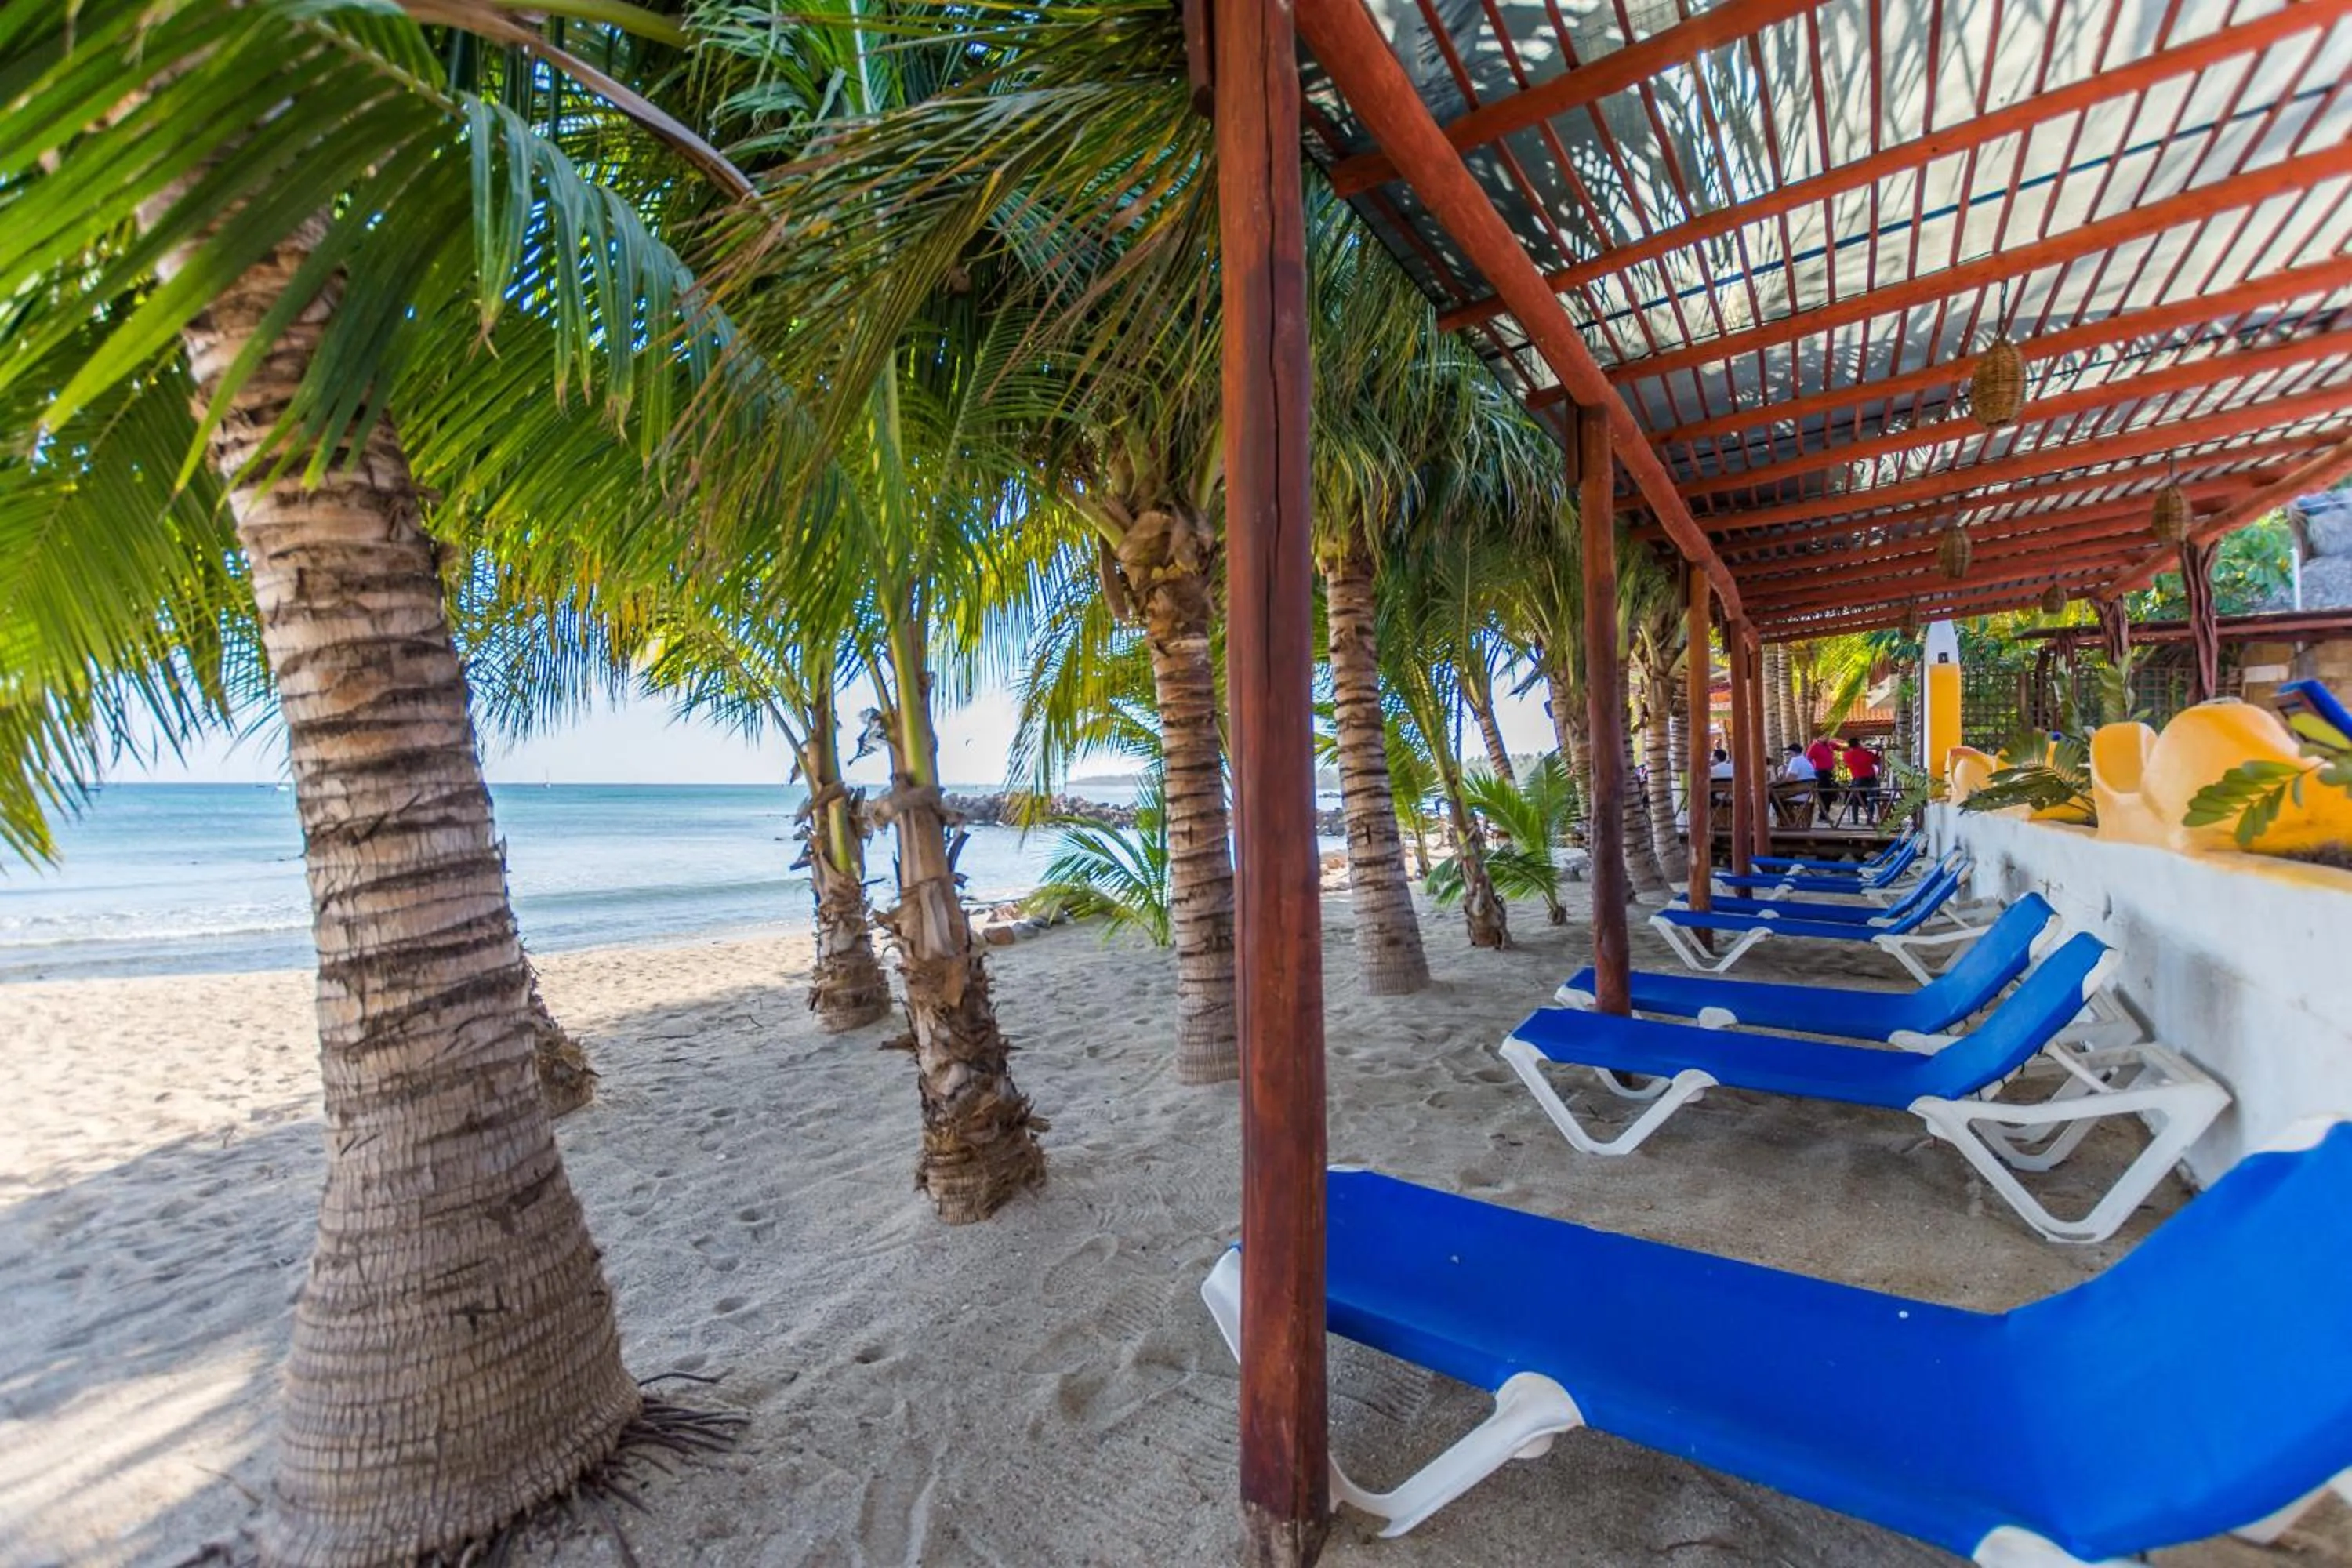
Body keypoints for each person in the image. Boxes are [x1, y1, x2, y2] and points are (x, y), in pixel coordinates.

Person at [1842, 738, 1882, 825]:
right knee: (1871, 799)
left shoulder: (1847, 755)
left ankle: (1855, 820)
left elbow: (1846, 763)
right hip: (1870, 777)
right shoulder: (1866, 753)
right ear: (1858, 744)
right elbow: (1876, 760)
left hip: (1857, 778)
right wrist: (1878, 751)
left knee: (1855, 799)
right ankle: (1870, 819)